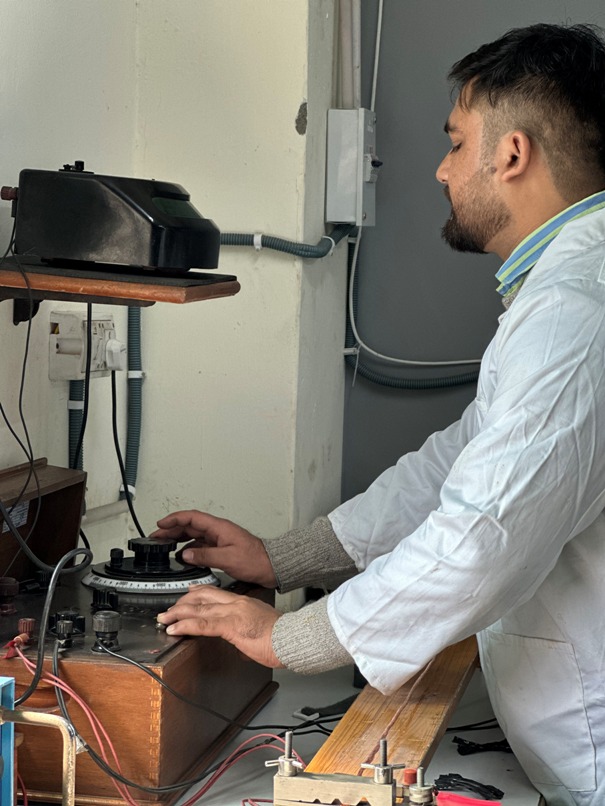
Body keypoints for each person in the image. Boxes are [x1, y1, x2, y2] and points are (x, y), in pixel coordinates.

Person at [153, 23, 605, 806]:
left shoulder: (573, 310)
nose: (440, 168)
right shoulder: (564, 294)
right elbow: (455, 465)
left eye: (455, 142)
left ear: (511, 154)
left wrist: (284, 636)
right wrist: (282, 560)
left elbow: (480, 535)